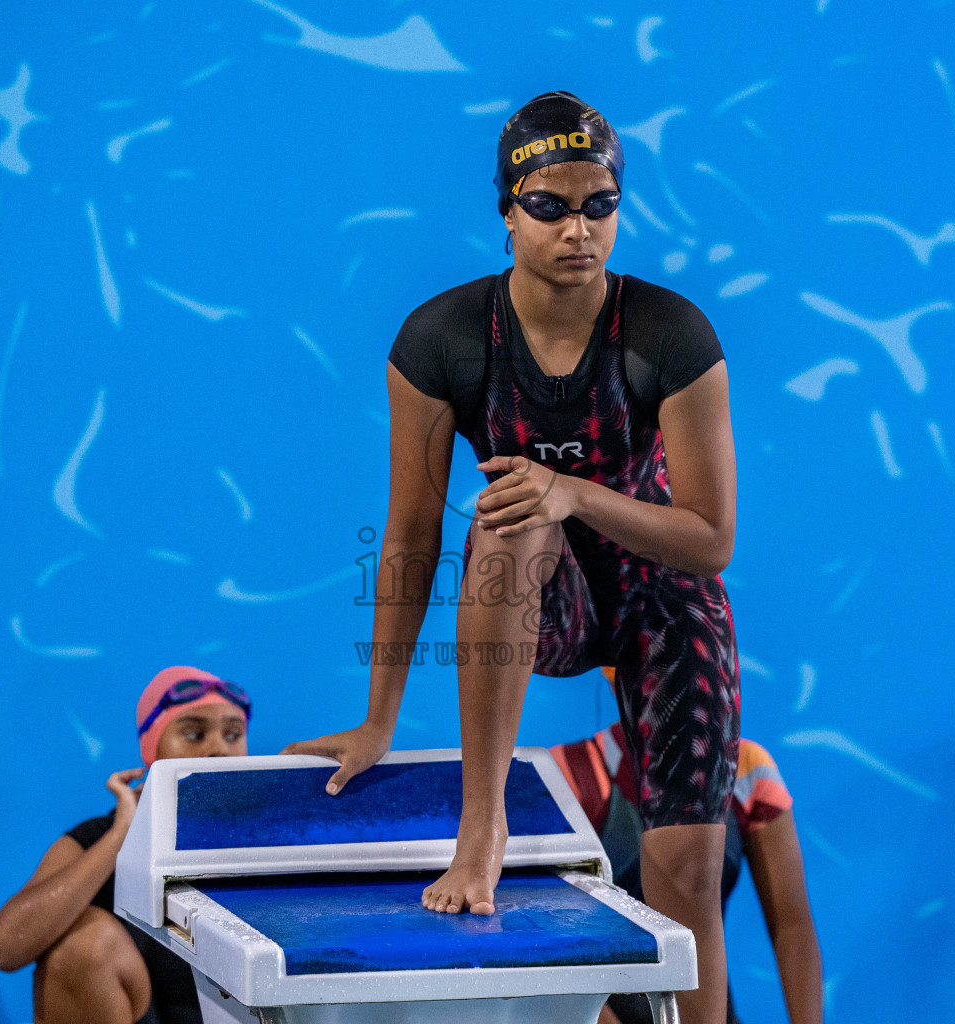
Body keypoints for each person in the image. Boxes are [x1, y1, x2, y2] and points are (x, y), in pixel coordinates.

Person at [286, 91, 742, 1024]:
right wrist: (379, 718)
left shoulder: (670, 333)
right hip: (537, 591)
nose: (578, 229)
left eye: (599, 206)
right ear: (506, 210)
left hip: (662, 593)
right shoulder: (444, 339)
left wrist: (576, 489)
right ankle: (482, 820)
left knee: (685, 873)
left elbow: (711, 539)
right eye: (549, 206)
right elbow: (410, 535)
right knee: (510, 513)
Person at [0, 666, 250, 1024]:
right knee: (81, 946)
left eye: (233, 735)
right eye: (193, 733)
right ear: (151, 747)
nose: (217, 749)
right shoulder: (101, 836)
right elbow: (7, 947)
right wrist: (120, 838)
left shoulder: (271, 840)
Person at [551, 679, 821, 1024]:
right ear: (610, 666)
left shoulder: (748, 770)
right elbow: (553, 944)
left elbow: (792, 925)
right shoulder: (568, 774)